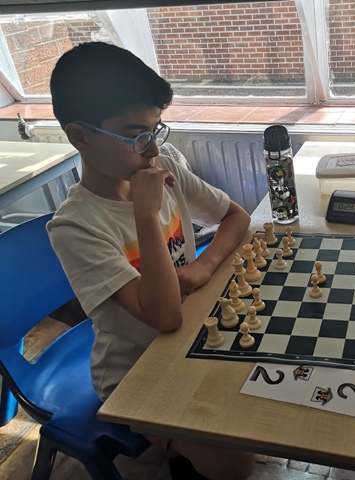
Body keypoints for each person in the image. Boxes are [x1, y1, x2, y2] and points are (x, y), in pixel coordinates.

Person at [47, 41, 254, 480]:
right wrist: (145, 214)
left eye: (156, 130)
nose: (153, 151)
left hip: (193, 337)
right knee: (231, 462)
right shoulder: (75, 227)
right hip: (134, 371)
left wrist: (202, 266)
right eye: (136, 135)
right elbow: (164, 316)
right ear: (80, 136)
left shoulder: (163, 173)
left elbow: (236, 217)